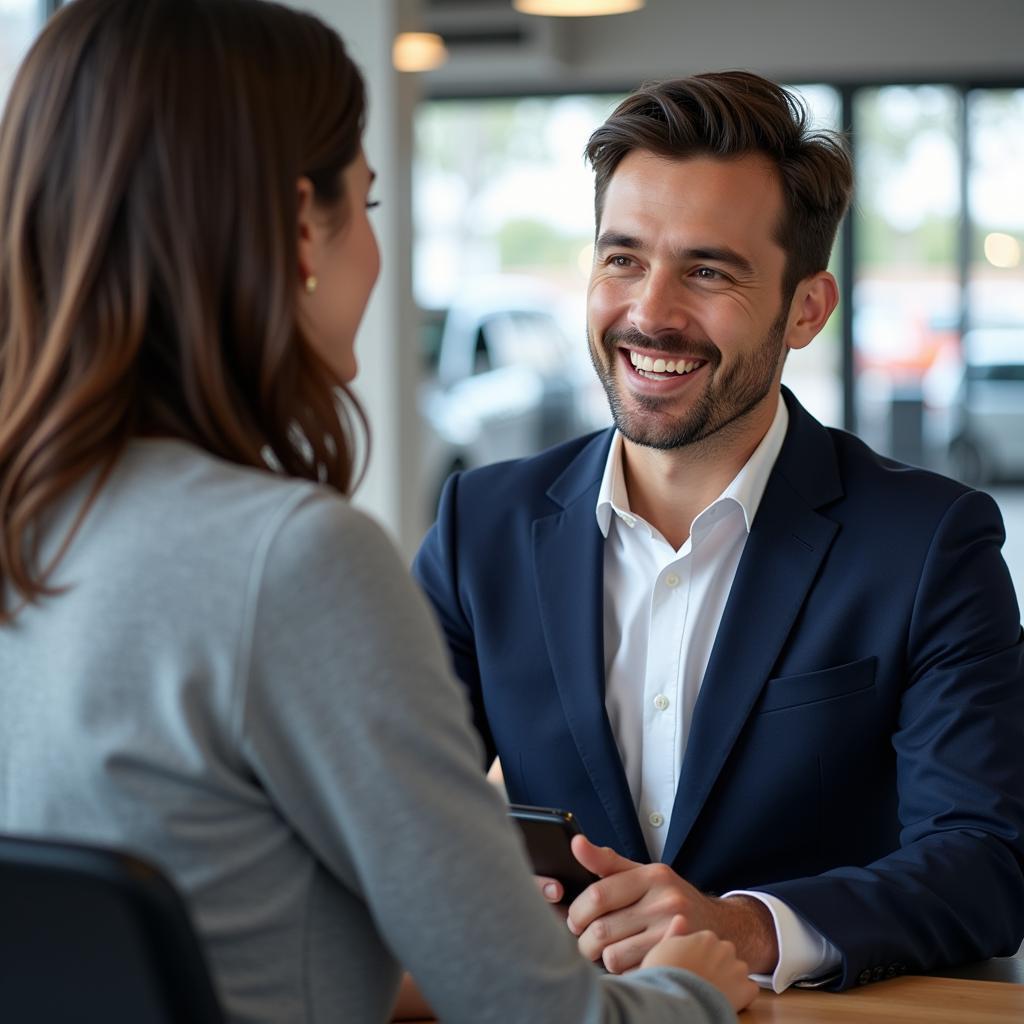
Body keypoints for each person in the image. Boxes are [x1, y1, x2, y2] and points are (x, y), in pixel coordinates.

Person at [0, 2, 759, 1021]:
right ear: (296, 229)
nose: (375, 252)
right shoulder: (292, 562)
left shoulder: (37, 526)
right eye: (366, 204)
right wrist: (690, 990)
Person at [413, 71, 1024, 993]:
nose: (650, 313)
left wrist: (746, 928)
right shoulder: (478, 528)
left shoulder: (930, 542)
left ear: (806, 309)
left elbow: (989, 863)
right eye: (622, 259)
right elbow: (391, 811)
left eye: (707, 270)